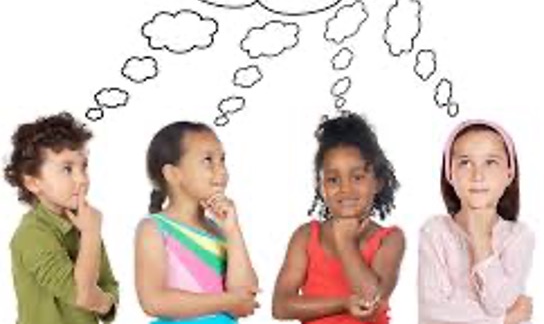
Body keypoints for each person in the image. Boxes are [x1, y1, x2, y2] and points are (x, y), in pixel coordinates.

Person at [273, 112, 405, 323]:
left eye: (357, 177)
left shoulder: (389, 239)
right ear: (321, 187)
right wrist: (343, 303)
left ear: (378, 182)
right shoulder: (306, 236)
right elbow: (281, 307)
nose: (345, 189)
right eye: (333, 179)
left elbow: (371, 302)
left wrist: (345, 241)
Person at [135, 121, 259, 323]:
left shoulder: (220, 231)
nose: (222, 171)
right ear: (173, 174)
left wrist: (233, 231)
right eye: (208, 160)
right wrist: (228, 301)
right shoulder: (154, 229)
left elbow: (245, 296)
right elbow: (153, 301)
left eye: (223, 160)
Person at [4, 112, 119, 324]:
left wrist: (102, 301)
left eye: (83, 167)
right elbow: (84, 296)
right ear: (33, 183)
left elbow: (109, 288)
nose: (82, 179)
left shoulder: (83, 223)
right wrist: (91, 234)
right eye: (67, 169)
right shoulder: (32, 234)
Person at [418, 119, 534, 324]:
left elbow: (498, 302)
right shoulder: (434, 231)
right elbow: (432, 313)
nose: (477, 176)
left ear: (509, 173)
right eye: (465, 162)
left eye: (490, 162)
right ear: (450, 174)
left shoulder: (519, 236)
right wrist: (504, 320)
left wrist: (480, 238)